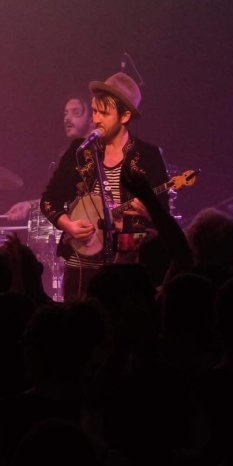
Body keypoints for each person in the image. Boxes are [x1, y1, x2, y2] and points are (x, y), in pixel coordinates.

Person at [40, 73, 168, 299]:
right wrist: (68, 225)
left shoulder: (148, 155)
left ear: (125, 116)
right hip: (80, 267)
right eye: (95, 111)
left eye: (104, 113)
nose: (97, 119)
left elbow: (164, 218)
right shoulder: (79, 151)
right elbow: (49, 201)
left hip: (128, 268)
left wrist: (149, 213)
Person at [6, 96, 92, 221]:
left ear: (92, 118)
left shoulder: (103, 153)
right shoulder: (69, 156)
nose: (67, 118)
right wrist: (29, 206)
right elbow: (63, 200)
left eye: (76, 112)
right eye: (66, 113)